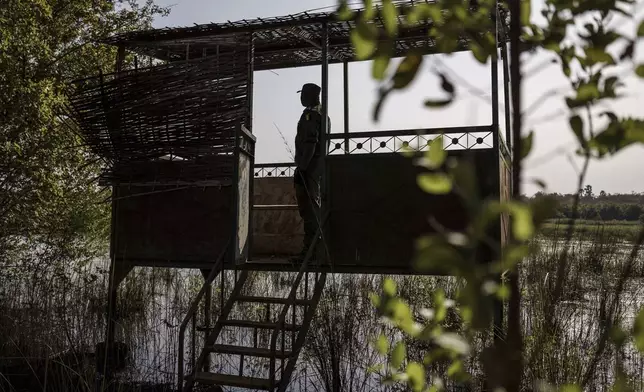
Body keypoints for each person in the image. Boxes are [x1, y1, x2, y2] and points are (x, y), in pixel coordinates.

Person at [292, 83, 330, 263]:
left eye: (303, 95)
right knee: (313, 208)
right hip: (318, 167)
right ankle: (314, 250)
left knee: (309, 209)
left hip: (310, 167)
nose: (300, 98)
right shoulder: (323, 113)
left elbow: (310, 143)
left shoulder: (311, 115)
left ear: (311, 96)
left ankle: (310, 252)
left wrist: (302, 168)